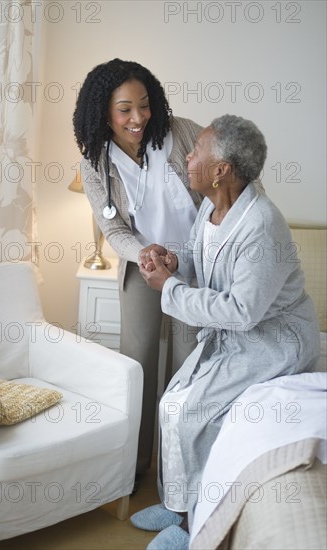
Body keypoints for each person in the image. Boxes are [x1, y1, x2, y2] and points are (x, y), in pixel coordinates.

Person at [132, 114, 320, 550]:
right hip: (237, 333)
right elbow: (206, 263)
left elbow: (241, 310)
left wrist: (170, 288)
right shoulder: (213, 207)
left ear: (221, 170)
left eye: (196, 150)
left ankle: (194, 523)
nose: (188, 156)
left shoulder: (261, 226)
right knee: (172, 404)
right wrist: (174, 263)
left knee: (195, 413)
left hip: (273, 342)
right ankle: (177, 504)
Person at [73, 59, 204, 481]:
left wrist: (188, 257)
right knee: (138, 366)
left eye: (144, 106)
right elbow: (112, 226)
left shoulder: (182, 133)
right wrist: (144, 252)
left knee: (188, 368)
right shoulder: (95, 161)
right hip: (143, 268)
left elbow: (227, 191)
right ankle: (133, 466)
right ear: (102, 112)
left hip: (195, 269)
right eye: (125, 109)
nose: (138, 118)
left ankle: (177, 473)